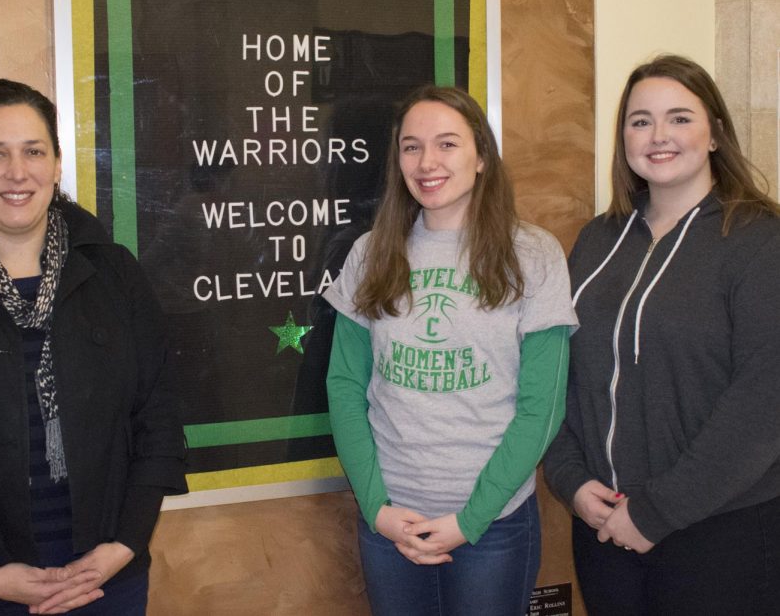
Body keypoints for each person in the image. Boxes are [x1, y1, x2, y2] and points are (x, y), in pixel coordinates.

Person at [0, 79, 187, 615]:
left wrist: (122, 546)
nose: (16, 172)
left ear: (57, 164)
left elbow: (158, 417)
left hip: (105, 576)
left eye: (33, 152)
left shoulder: (116, 274)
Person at [324, 84, 577, 615]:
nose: (426, 161)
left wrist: (470, 520)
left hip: (494, 525)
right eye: (411, 146)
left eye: (447, 144)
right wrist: (377, 509)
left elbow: (543, 407)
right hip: (392, 522)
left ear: (482, 156)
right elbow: (345, 387)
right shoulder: (370, 253)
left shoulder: (533, 254)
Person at [543, 54, 780, 615]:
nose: (658, 136)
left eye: (679, 118)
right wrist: (571, 480)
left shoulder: (758, 241)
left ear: (716, 133)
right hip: (603, 525)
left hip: (722, 531)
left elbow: (763, 401)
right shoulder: (597, 241)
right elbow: (556, 373)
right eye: (640, 120)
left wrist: (656, 513)